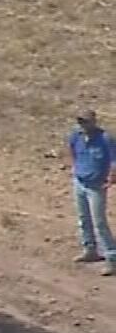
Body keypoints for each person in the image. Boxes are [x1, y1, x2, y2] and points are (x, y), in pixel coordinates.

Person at [67, 108, 114, 275]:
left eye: (85, 121)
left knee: (99, 222)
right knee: (83, 218)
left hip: (96, 186)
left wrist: (111, 178)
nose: (82, 125)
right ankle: (90, 250)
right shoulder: (75, 136)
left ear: (94, 121)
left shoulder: (105, 139)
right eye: (80, 121)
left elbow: (114, 160)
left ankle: (112, 258)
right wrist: (75, 169)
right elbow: (72, 151)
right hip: (80, 182)